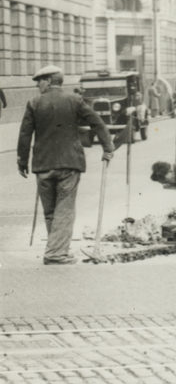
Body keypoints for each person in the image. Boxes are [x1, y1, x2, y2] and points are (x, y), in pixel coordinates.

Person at [17, 65, 115, 265]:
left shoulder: (34, 103)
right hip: (69, 163)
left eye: (41, 80)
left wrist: (22, 160)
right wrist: (108, 147)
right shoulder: (75, 100)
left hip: (43, 164)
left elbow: (25, 134)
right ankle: (56, 253)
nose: (38, 85)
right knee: (65, 209)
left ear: (51, 81)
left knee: (51, 210)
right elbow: (97, 122)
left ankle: (57, 249)